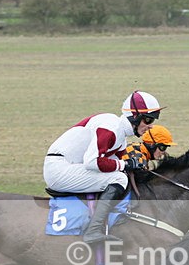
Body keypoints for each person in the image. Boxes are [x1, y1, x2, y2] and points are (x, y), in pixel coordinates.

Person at [43, 90, 164, 243]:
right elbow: (92, 162)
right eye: (148, 120)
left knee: (121, 176)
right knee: (118, 178)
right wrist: (125, 164)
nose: (150, 126)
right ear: (135, 116)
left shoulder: (121, 137)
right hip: (59, 169)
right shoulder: (111, 127)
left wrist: (131, 166)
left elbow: (114, 164)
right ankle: (93, 230)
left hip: (70, 167)